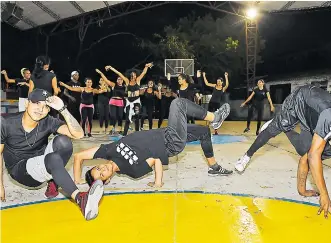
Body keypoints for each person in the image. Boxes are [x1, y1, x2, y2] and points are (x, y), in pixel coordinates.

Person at [235, 85, 331, 219]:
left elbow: (307, 158)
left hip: (312, 122)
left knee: (303, 151)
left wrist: (302, 190)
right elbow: (314, 156)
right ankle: (248, 154)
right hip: (300, 100)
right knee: (274, 130)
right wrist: (324, 194)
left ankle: (285, 128)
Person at [73, 98, 233, 188]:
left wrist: (77, 180)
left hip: (166, 132)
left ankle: (214, 167)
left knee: (204, 132)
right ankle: (215, 118)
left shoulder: (107, 151)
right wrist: (158, 182)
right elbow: (156, 160)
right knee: (178, 104)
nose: (103, 169)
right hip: (170, 143)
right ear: (107, 180)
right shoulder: (131, 170)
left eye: (98, 168)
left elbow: (79, 156)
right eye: (102, 175)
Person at [0, 89, 104, 221]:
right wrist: (0, 186)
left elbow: (79, 134)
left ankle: (53, 181)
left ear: (49, 110)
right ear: (27, 103)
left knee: (64, 142)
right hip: (20, 171)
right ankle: (80, 198)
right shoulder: (5, 123)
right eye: (36, 103)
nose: (40, 109)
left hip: (43, 162)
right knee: (53, 158)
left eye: (45, 106)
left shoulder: (48, 121)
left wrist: (63, 109)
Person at [96, 68, 126, 135]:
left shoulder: (125, 87)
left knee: (120, 116)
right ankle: (112, 129)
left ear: (123, 80)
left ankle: (120, 130)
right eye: (118, 79)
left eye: (121, 79)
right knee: (113, 116)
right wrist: (101, 73)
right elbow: (106, 80)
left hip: (120, 102)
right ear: (116, 80)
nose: (120, 80)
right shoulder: (114, 85)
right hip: (113, 102)